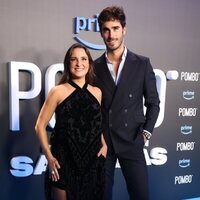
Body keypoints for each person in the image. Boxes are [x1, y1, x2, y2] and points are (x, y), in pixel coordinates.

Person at [94, 6, 160, 200]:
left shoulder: (142, 63)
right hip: (104, 143)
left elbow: (153, 103)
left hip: (132, 140)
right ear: (101, 32)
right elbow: (92, 108)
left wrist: (145, 135)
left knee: (140, 196)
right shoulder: (94, 67)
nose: (111, 35)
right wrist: (99, 138)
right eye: (106, 29)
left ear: (124, 29)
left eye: (115, 28)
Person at [35, 43, 107, 200]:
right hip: (63, 161)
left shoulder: (97, 92)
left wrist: (104, 144)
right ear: (68, 63)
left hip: (92, 163)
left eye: (83, 59)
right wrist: (49, 157)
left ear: (89, 63)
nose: (79, 63)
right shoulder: (58, 91)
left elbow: (95, 123)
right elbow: (39, 125)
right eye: (73, 59)